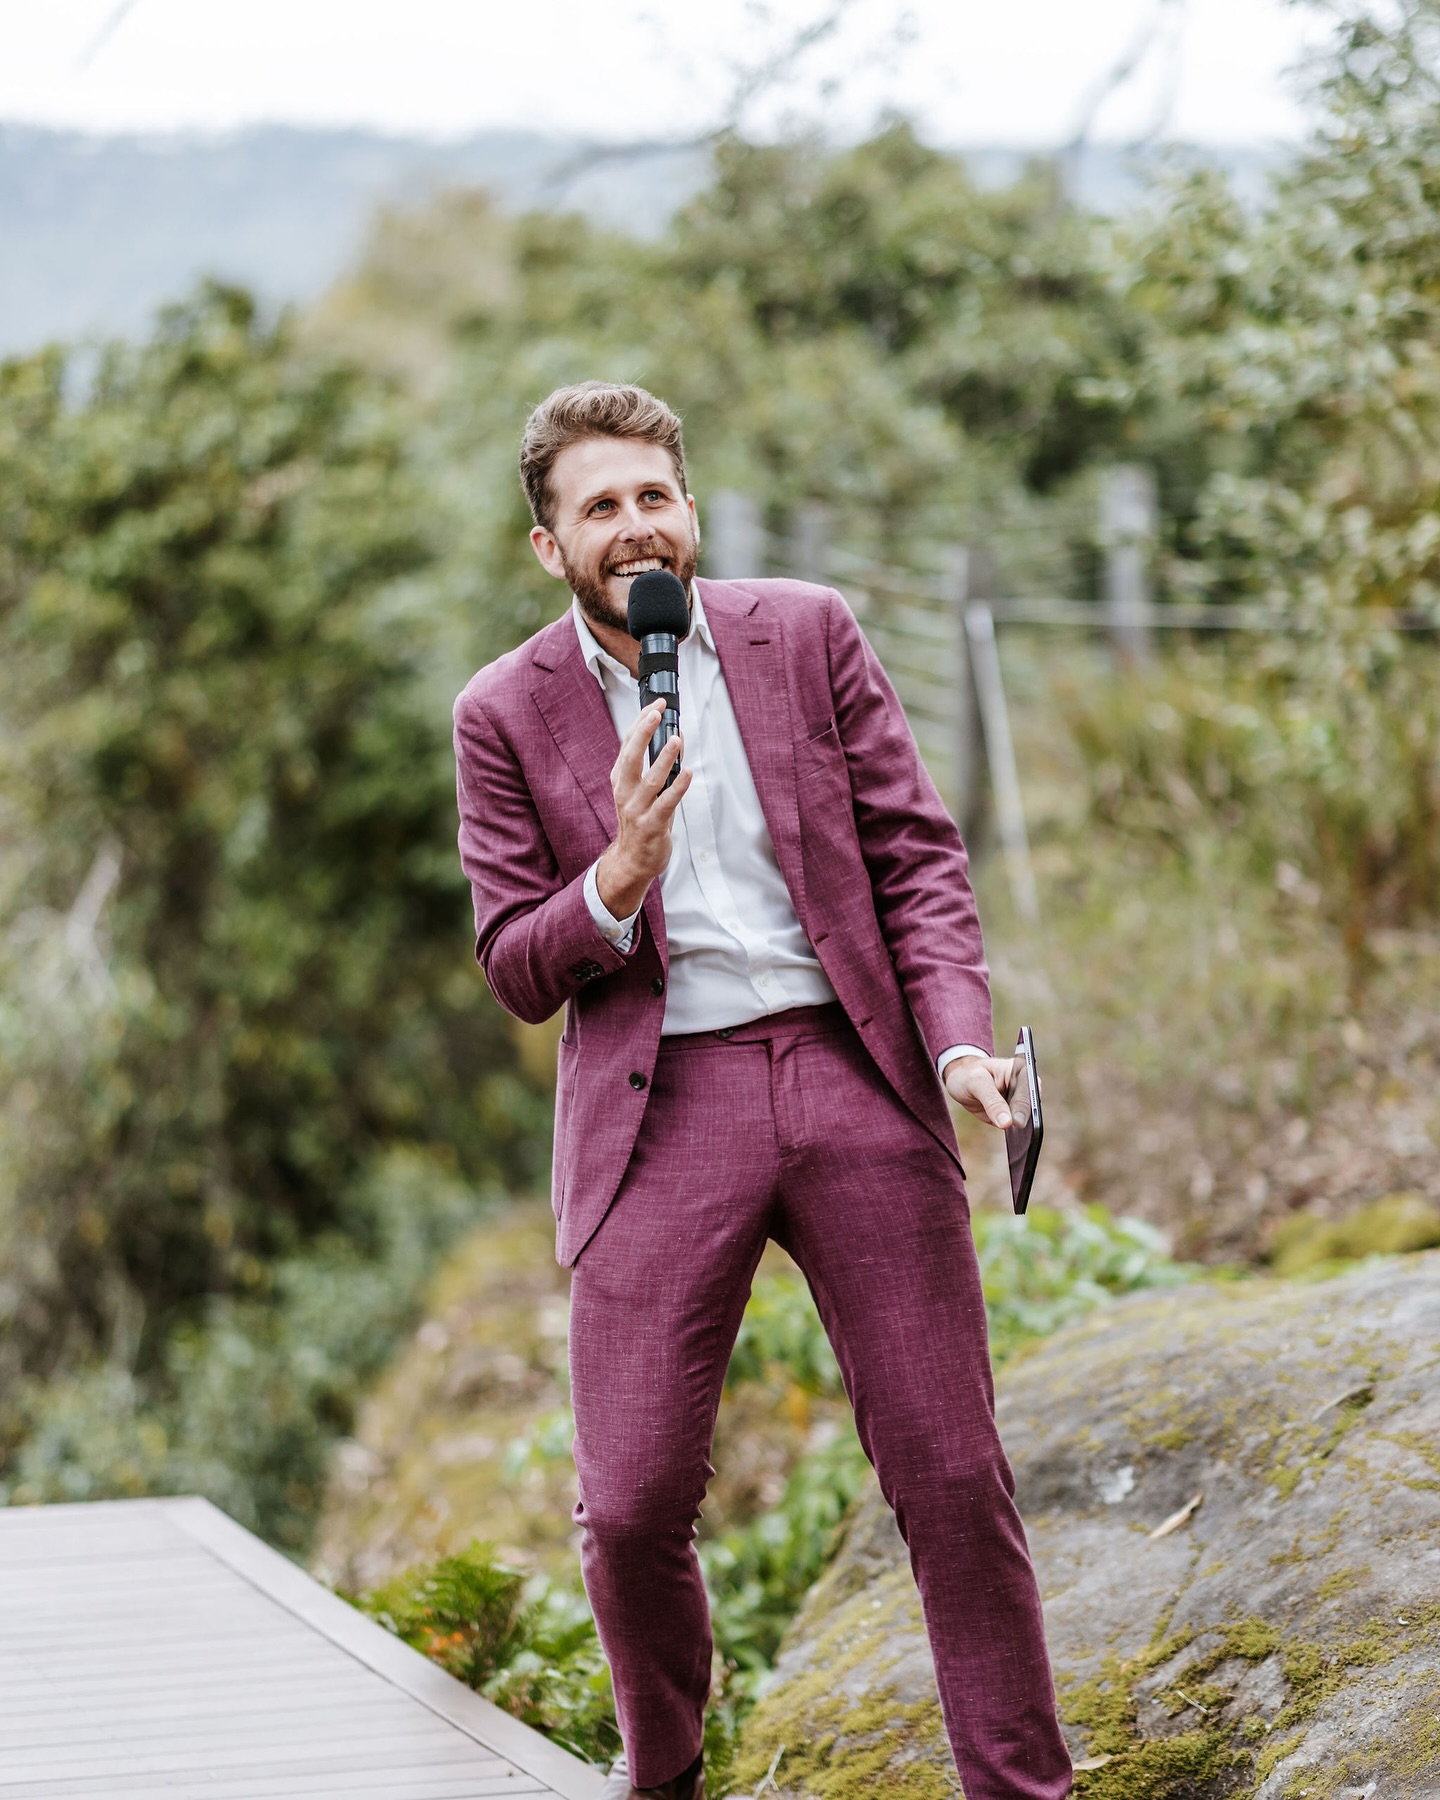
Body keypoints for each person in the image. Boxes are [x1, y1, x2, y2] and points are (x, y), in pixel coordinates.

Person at [453, 381, 1073, 1800]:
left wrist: (959, 1045)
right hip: (662, 1107)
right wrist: (614, 876)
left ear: (690, 505)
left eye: (653, 496)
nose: (635, 527)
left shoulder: (805, 632)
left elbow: (917, 857)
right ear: (550, 547)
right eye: (599, 507)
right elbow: (513, 964)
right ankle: (663, 1776)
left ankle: (1023, 1790)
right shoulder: (501, 713)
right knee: (626, 1509)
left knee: (954, 1479)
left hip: (855, 1075)